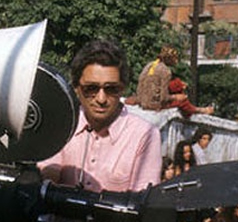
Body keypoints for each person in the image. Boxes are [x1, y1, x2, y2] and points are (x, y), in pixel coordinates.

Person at [39, 40, 162, 192]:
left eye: (111, 89)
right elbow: (46, 175)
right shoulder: (62, 124)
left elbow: (144, 198)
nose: (101, 99)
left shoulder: (145, 134)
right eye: (91, 88)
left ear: (122, 89)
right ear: (76, 88)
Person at [132, 46, 187, 111]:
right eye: (175, 58)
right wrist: (176, 97)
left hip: (141, 104)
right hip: (154, 106)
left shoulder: (149, 65)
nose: (176, 61)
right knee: (183, 102)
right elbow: (164, 97)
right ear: (170, 59)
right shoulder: (165, 71)